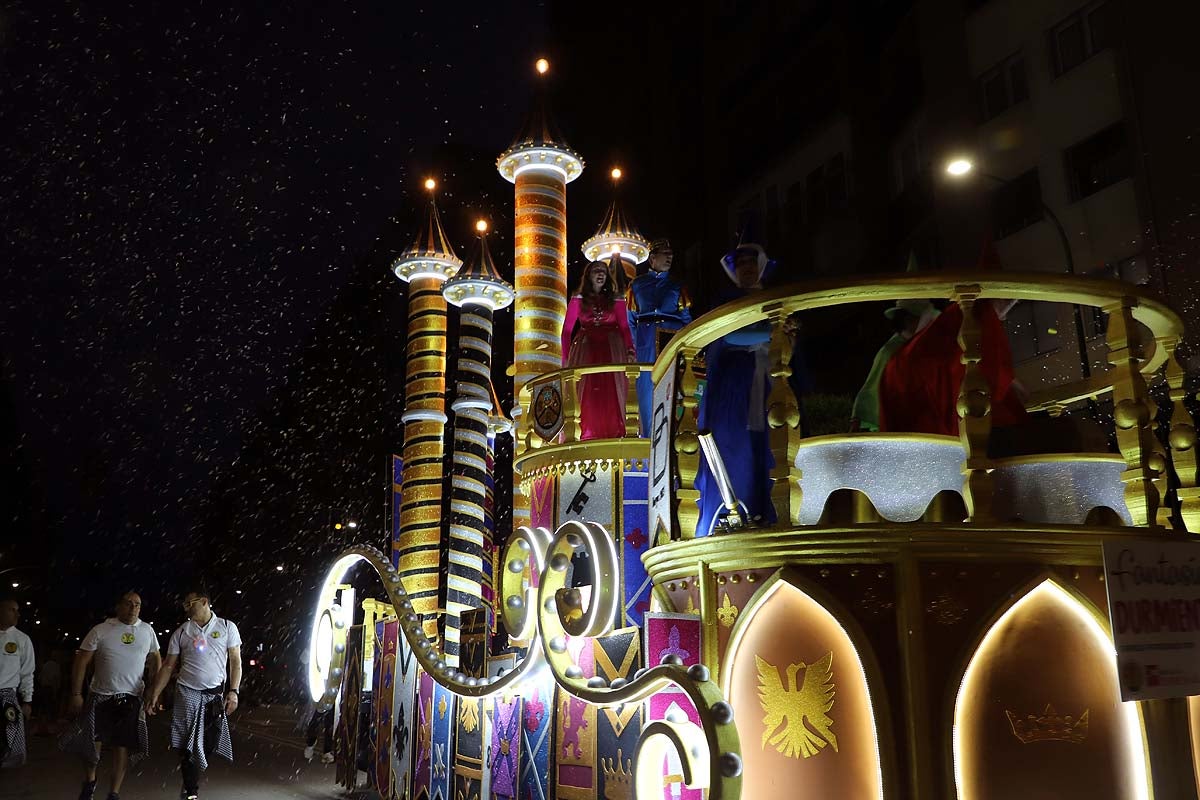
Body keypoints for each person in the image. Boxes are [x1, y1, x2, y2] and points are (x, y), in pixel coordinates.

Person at [694, 241, 777, 536]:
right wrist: (767, 332)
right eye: (741, 265)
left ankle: (762, 513)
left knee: (765, 446)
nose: (746, 270)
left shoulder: (776, 300)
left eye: (751, 265)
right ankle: (727, 514)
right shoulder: (725, 302)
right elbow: (722, 339)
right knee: (733, 445)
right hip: (731, 387)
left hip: (766, 384)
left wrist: (780, 333)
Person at [60, 592, 161, 800]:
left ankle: (114, 792)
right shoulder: (101, 630)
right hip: (101, 696)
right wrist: (77, 693)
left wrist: (153, 689)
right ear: (118, 607)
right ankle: (90, 781)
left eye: (138, 605)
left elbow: (156, 659)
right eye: (128, 604)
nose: (133, 608)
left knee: (121, 748)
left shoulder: (147, 630)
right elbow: (82, 662)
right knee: (92, 747)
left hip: (131, 699)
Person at [145, 589, 242, 800]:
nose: (187, 608)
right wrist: (155, 694)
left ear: (205, 602)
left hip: (214, 695)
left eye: (190, 603)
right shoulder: (182, 632)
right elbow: (169, 665)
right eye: (185, 605)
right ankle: (191, 791)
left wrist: (233, 691)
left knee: (210, 741)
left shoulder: (227, 627)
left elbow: (235, 661)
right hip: (187, 692)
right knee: (187, 742)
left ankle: (191, 780)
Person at [561, 258, 636, 440]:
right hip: (586, 348)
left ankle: (614, 431)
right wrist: (566, 359)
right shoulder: (578, 298)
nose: (601, 274)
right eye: (596, 270)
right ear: (588, 276)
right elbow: (567, 330)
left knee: (612, 389)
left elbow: (625, 326)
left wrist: (630, 350)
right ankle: (587, 433)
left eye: (603, 271)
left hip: (611, 348)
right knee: (587, 390)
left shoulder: (616, 298)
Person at [626, 238, 692, 435]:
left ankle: (673, 439)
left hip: (669, 341)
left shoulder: (677, 286)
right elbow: (630, 320)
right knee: (646, 393)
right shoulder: (637, 285)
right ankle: (647, 441)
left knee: (671, 390)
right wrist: (637, 344)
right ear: (652, 258)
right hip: (645, 343)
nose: (670, 257)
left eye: (671, 254)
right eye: (665, 253)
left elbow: (686, 319)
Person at [849, 298, 938, 432]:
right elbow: (871, 389)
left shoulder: (928, 347)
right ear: (907, 320)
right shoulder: (892, 351)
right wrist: (858, 420)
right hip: (898, 425)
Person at [0, 596, 34, 769]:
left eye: (18, 610)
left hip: (7, 696)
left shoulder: (22, 639)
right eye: (12, 610)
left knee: (9, 740)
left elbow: (27, 672)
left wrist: (27, 701)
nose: (17, 614)